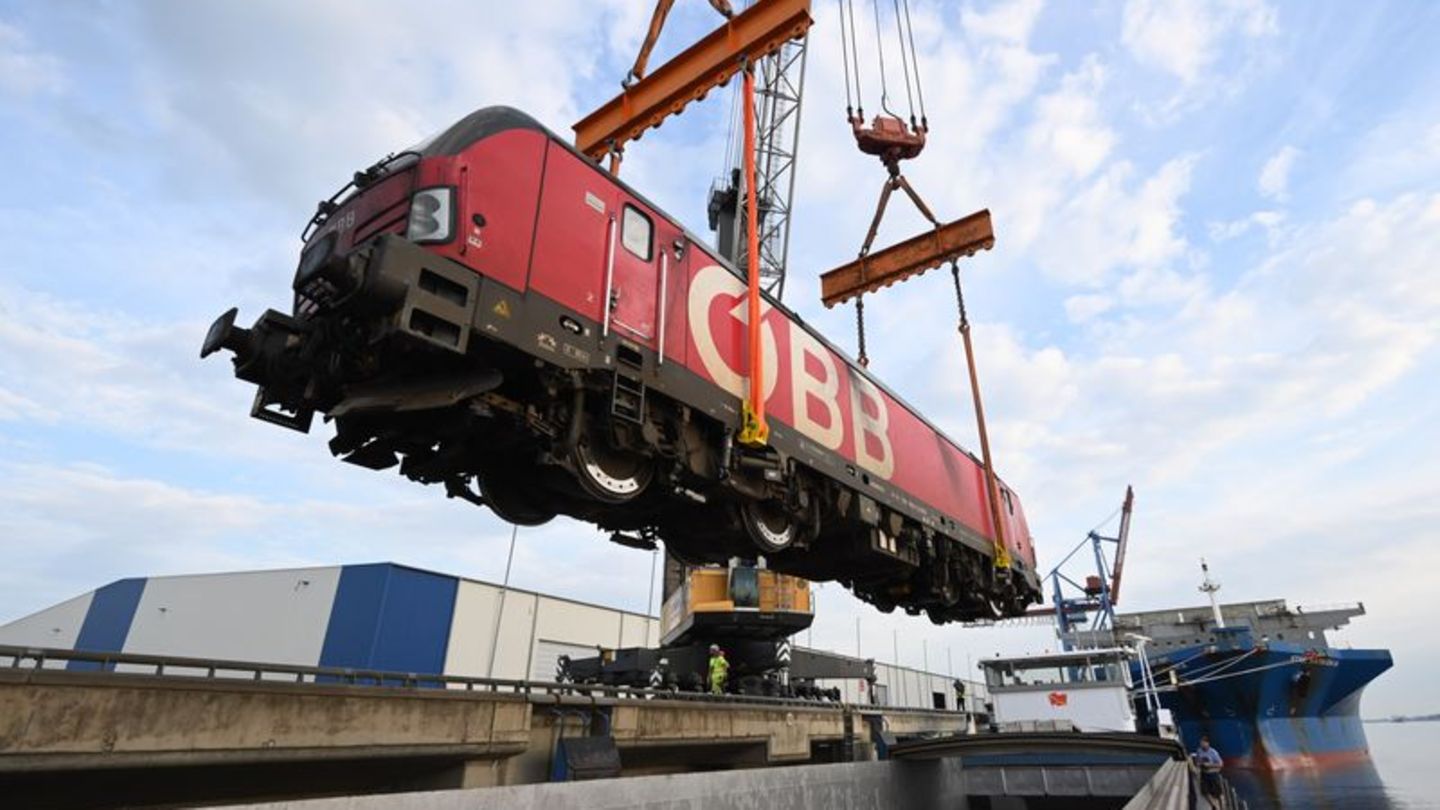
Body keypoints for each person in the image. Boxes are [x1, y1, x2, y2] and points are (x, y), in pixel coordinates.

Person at [1194, 736, 1224, 806]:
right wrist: (1198, 764)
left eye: (1203, 743)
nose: (1201, 744)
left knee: (1218, 793)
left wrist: (1210, 765)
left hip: (1213, 774)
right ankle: (1214, 806)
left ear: (1208, 743)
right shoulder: (1199, 751)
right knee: (1205, 792)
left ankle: (1222, 806)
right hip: (1204, 774)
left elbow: (1221, 764)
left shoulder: (1213, 752)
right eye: (1201, 743)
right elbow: (1197, 761)